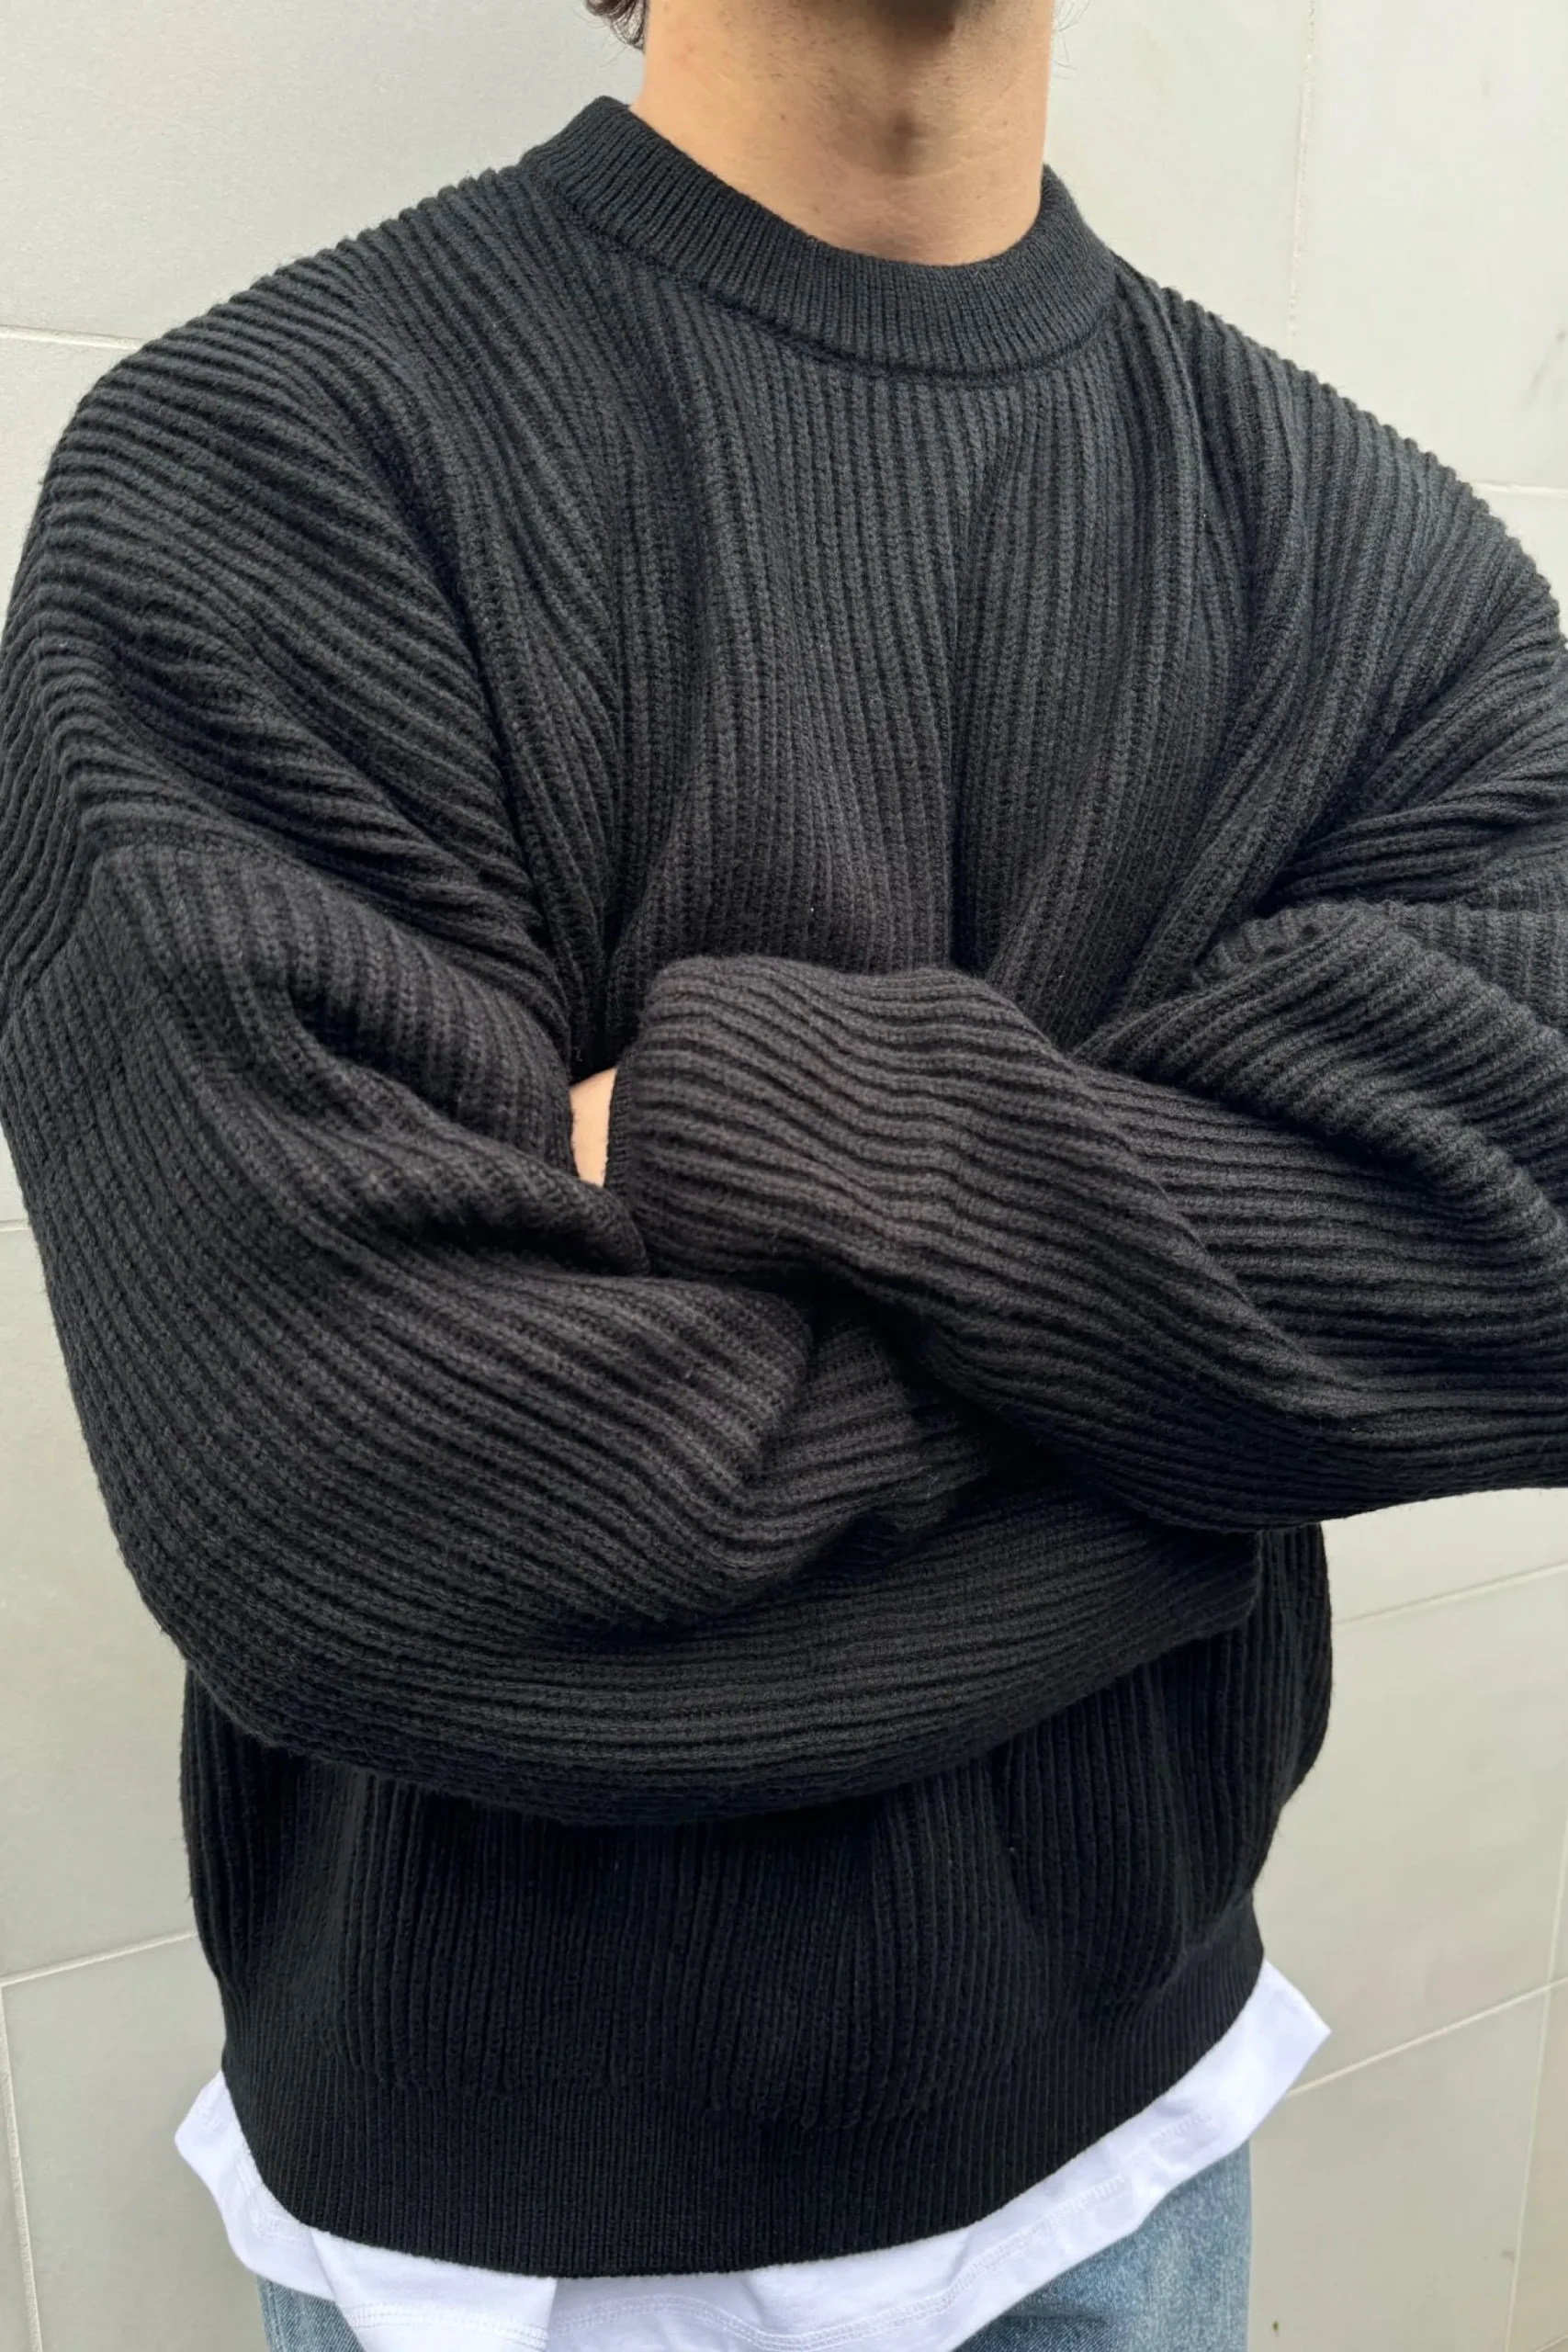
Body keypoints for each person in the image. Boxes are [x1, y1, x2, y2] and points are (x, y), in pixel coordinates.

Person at [1, 0, 1565, 2338]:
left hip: (1140, 2144)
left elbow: (1529, 1245)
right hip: (498, 2255)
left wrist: (751, 1108)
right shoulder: (271, 471)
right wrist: (1224, 1424)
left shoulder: (1370, 560)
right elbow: (367, 1520)